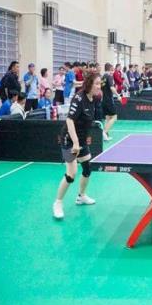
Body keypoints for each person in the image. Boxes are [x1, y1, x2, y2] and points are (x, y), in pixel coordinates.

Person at [52, 72, 102, 219]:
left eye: (100, 83)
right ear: (89, 84)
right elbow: (70, 120)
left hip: (81, 139)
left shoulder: (94, 98)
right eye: (97, 84)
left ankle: (81, 196)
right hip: (69, 139)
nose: (99, 86)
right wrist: (74, 142)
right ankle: (58, 203)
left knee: (87, 168)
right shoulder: (79, 98)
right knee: (71, 174)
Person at [101, 63, 121, 141]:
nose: (113, 72)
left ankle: (105, 134)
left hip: (103, 100)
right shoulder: (109, 76)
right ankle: (104, 132)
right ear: (109, 69)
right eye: (112, 70)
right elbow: (112, 88)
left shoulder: (103, 77)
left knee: (108, 118)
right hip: (109, 100)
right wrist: (118, 95)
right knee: (114, 117)